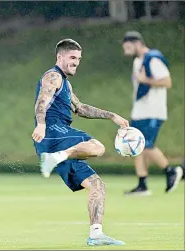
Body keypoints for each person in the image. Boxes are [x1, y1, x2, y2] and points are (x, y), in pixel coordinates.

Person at [32, 39, 127, 246]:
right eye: (72, 58)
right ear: (60, 57)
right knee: (98, 147)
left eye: (78, 59)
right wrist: (40, 124)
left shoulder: (66, 84)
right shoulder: (53, 76)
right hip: (53, 132)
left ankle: (95, 235)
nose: (76, 62)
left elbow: (80, 108)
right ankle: (54, 157)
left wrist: (112, 116)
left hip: (60, 141)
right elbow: (42, 100)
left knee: (97, 186)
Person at [121, 31, 183, 196]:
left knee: (146, 145)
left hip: (153, 110)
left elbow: (167, 82)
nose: (126, 50)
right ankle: (142, 185)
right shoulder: (137, 62)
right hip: (140, 111)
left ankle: (171, 171)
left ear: (137, 44)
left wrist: (146, 80)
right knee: (136, 147)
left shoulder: (153, 59)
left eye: (128, 46)